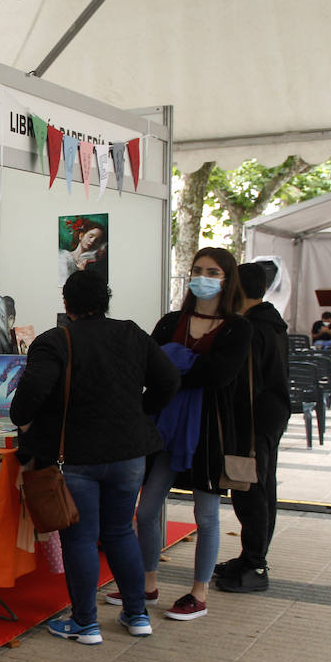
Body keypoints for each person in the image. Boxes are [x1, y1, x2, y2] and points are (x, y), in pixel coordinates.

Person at [11, 271, 179, 644]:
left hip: (76, 456)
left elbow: (26, 403)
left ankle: (85, 623)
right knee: (121, 531)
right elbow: (169, 380)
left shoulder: (55, 341)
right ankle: (137, 615)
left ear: (66, 303)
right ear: (106, 300)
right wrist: (139, 411)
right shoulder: (132, 334)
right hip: (129, 454)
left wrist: (28, 420)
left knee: (81, 538)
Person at [118, 247, 253, 621]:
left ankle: (199, 591)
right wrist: (185, 363)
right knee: (145, 511)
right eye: (197, 270)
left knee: (206, 515)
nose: (203, 277)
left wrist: (173, 362)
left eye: (212, 271)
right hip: (162, 428)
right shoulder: (171, 321)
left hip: (207, 433)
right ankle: (147, 584)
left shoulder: (238, 327)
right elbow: (147, 365)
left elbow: (220, 375)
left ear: (227, 279)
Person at [215, 263, 290, 592]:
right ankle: (251, 556)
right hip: (270, 416)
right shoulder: (272, 323)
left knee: (250, 492)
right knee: (261, 488)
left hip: (253, 421)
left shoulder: (251, 329)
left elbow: (242, 383)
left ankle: (256, 564)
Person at [58, 216, 107, 286]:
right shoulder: (64, 257)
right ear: (81, 236)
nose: (92, 241)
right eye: (91, 236)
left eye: (97, 240)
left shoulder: (93, 262)